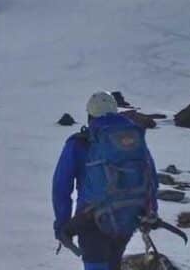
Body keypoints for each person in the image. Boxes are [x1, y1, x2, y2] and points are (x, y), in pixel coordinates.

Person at [53, 91, 159, 270]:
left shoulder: (80, 143)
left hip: (91, 220)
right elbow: (151, 178)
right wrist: (150, 210)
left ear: (90, 116)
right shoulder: (131, 140)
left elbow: (61, 187)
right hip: (128, 216)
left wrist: (62, 224)